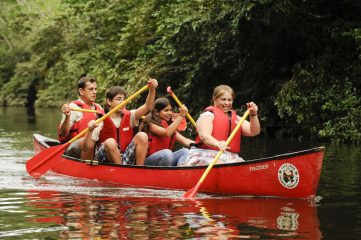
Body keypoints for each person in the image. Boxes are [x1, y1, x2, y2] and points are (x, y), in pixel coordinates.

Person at [82, 79, 158, 165]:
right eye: (119, 99)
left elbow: (147, 106)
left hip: (125, 157)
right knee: (110, 142)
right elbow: (87, 148)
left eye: (124, 99)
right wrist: (90, 130)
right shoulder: (100, 121)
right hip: (106, 159)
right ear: (109, 101)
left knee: (142, 135)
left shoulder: (131, 116)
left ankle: (139, 169)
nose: (123, 102)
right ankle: (121, 172)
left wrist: (152, 89)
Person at [182, 84, 260, 166]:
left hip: (230, 156)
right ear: (215, 100)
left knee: (244, 167)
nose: (227, 103)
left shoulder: (237, 118)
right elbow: (204, 136)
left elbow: (254, 131)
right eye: (223, 99)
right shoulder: (208, 115)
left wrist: (253, 114)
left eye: (229, 100)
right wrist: (218, 143)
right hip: (205, 154)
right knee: (220, 164)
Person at [140, 97, 195, 166]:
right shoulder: (151, 124)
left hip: (165, 159)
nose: (169, 113)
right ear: (157, 112)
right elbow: (167, 133)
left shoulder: (167, 126)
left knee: (185, 151)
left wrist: (201, 145)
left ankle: (180, 173)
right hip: (150, 162)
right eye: (166, 110)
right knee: (167, 153)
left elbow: (185, 141)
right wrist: (181, 115)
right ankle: (166, 175)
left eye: (170, 110)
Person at [58, 76, 104, 158]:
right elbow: (64, 134)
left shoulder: (99, 108)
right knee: (88, 140)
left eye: (95, 89)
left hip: (94, 148)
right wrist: (67, 117)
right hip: (73, 149)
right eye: (91, 89)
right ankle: (87, 166)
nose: (95, 92)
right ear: (81, 91)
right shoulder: (73, 107)